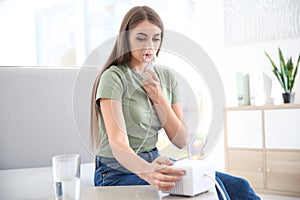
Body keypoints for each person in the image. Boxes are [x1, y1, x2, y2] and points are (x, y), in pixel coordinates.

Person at [90, 5, 260, 200]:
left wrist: (157, 95)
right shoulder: (113, 77)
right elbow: (118, 143)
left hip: (155, 160)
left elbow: (180, 140)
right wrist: (148, 171)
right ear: (126, 39)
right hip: (116, 172)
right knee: (203, 192)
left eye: (156, 38)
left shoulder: (166, 77)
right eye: (140, 38)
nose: (149, 46)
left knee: (239, 187)